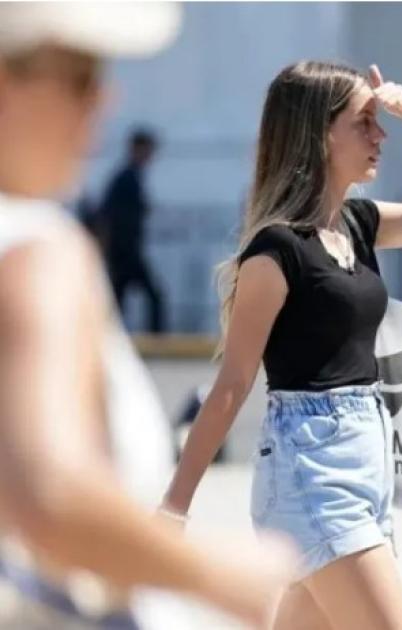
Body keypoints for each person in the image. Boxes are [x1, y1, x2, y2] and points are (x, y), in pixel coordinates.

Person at [161, 60, 402, 630]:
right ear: (319, 134)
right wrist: (174, 507)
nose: (380, 136)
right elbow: (232, 386)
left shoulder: (359, 225)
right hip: (310, 472)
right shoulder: (276, 252)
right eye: (364, 122)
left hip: (366, 468)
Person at [0, 4, 295, 629]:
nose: (101, 102)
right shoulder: (35, 253)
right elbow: (49, 492)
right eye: (78, 77)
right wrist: (219, 574)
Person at [97, 127, 167, 333]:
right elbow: (109, 215)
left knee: (118, 302)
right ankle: (156, 340)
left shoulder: (129, 177)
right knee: (152, 296)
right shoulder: (126, 178)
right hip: (125, 251)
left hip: (124, 250)